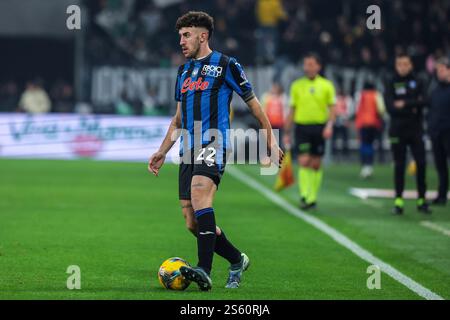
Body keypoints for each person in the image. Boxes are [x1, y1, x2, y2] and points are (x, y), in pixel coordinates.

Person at [147, 11, 283, 291]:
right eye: (180, 36)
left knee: (200, 193)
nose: (181, 42)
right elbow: (178, 119)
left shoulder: (226, 65)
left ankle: (203, 269)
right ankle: (236, 259)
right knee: (191, 221)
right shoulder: (183, 71)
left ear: (203, 35)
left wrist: (272, 142)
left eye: (186, 35)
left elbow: (255, 107)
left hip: (213, 141)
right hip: (187, 147)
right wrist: (162, 151)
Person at [283, 53, 336, 210]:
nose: (308, 67)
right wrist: (287, 131)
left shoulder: (327, 85)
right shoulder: (297, 86)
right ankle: (305, 195)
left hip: (320, 127)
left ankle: (313, 196)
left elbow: (332, 108)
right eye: (306, 64)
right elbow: (292, 109)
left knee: (316, 164)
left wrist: (329, 126)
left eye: (312, 64)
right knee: (304, 161)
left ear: (318, 66)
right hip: (302, 128)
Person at [385, 53, 431, 215]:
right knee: (399, 165)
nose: (402, 67)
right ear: (396, 66)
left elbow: (426, 101)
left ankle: (422, 199)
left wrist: (404, 103)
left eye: (405, 64)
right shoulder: (391, 81)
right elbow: (389, 106)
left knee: (422, 164)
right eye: (399, 64)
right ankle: (398, 201)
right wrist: (412, 106)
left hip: (416, 129)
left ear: (411, 65)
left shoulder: (419, 81)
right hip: (397, 129)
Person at [428, 57, 450, 206]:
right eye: (437, 70)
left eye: (441, 70)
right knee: (440, 165)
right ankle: (442, 194)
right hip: (437, 133)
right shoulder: (435, 90)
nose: (439, 73)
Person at [354, 82, 385, 178]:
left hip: (362, 123)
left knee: (364, 144)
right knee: (370, 144)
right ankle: (369, 166)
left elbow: (356, 109)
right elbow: (381, 109)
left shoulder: (360, 95)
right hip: (374, 124)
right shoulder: (376, 95)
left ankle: (364, 166)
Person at [261, 82, 289, 149]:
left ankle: (278, 156)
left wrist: (286, 124)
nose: (274, 89)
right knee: (268, 141)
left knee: (278, 142)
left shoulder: (283, 98)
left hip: (279, 124)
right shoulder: (266, 97)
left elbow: (286, 111)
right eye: (273, 87)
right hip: (268, 124)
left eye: (276, 88)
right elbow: (262, 109)